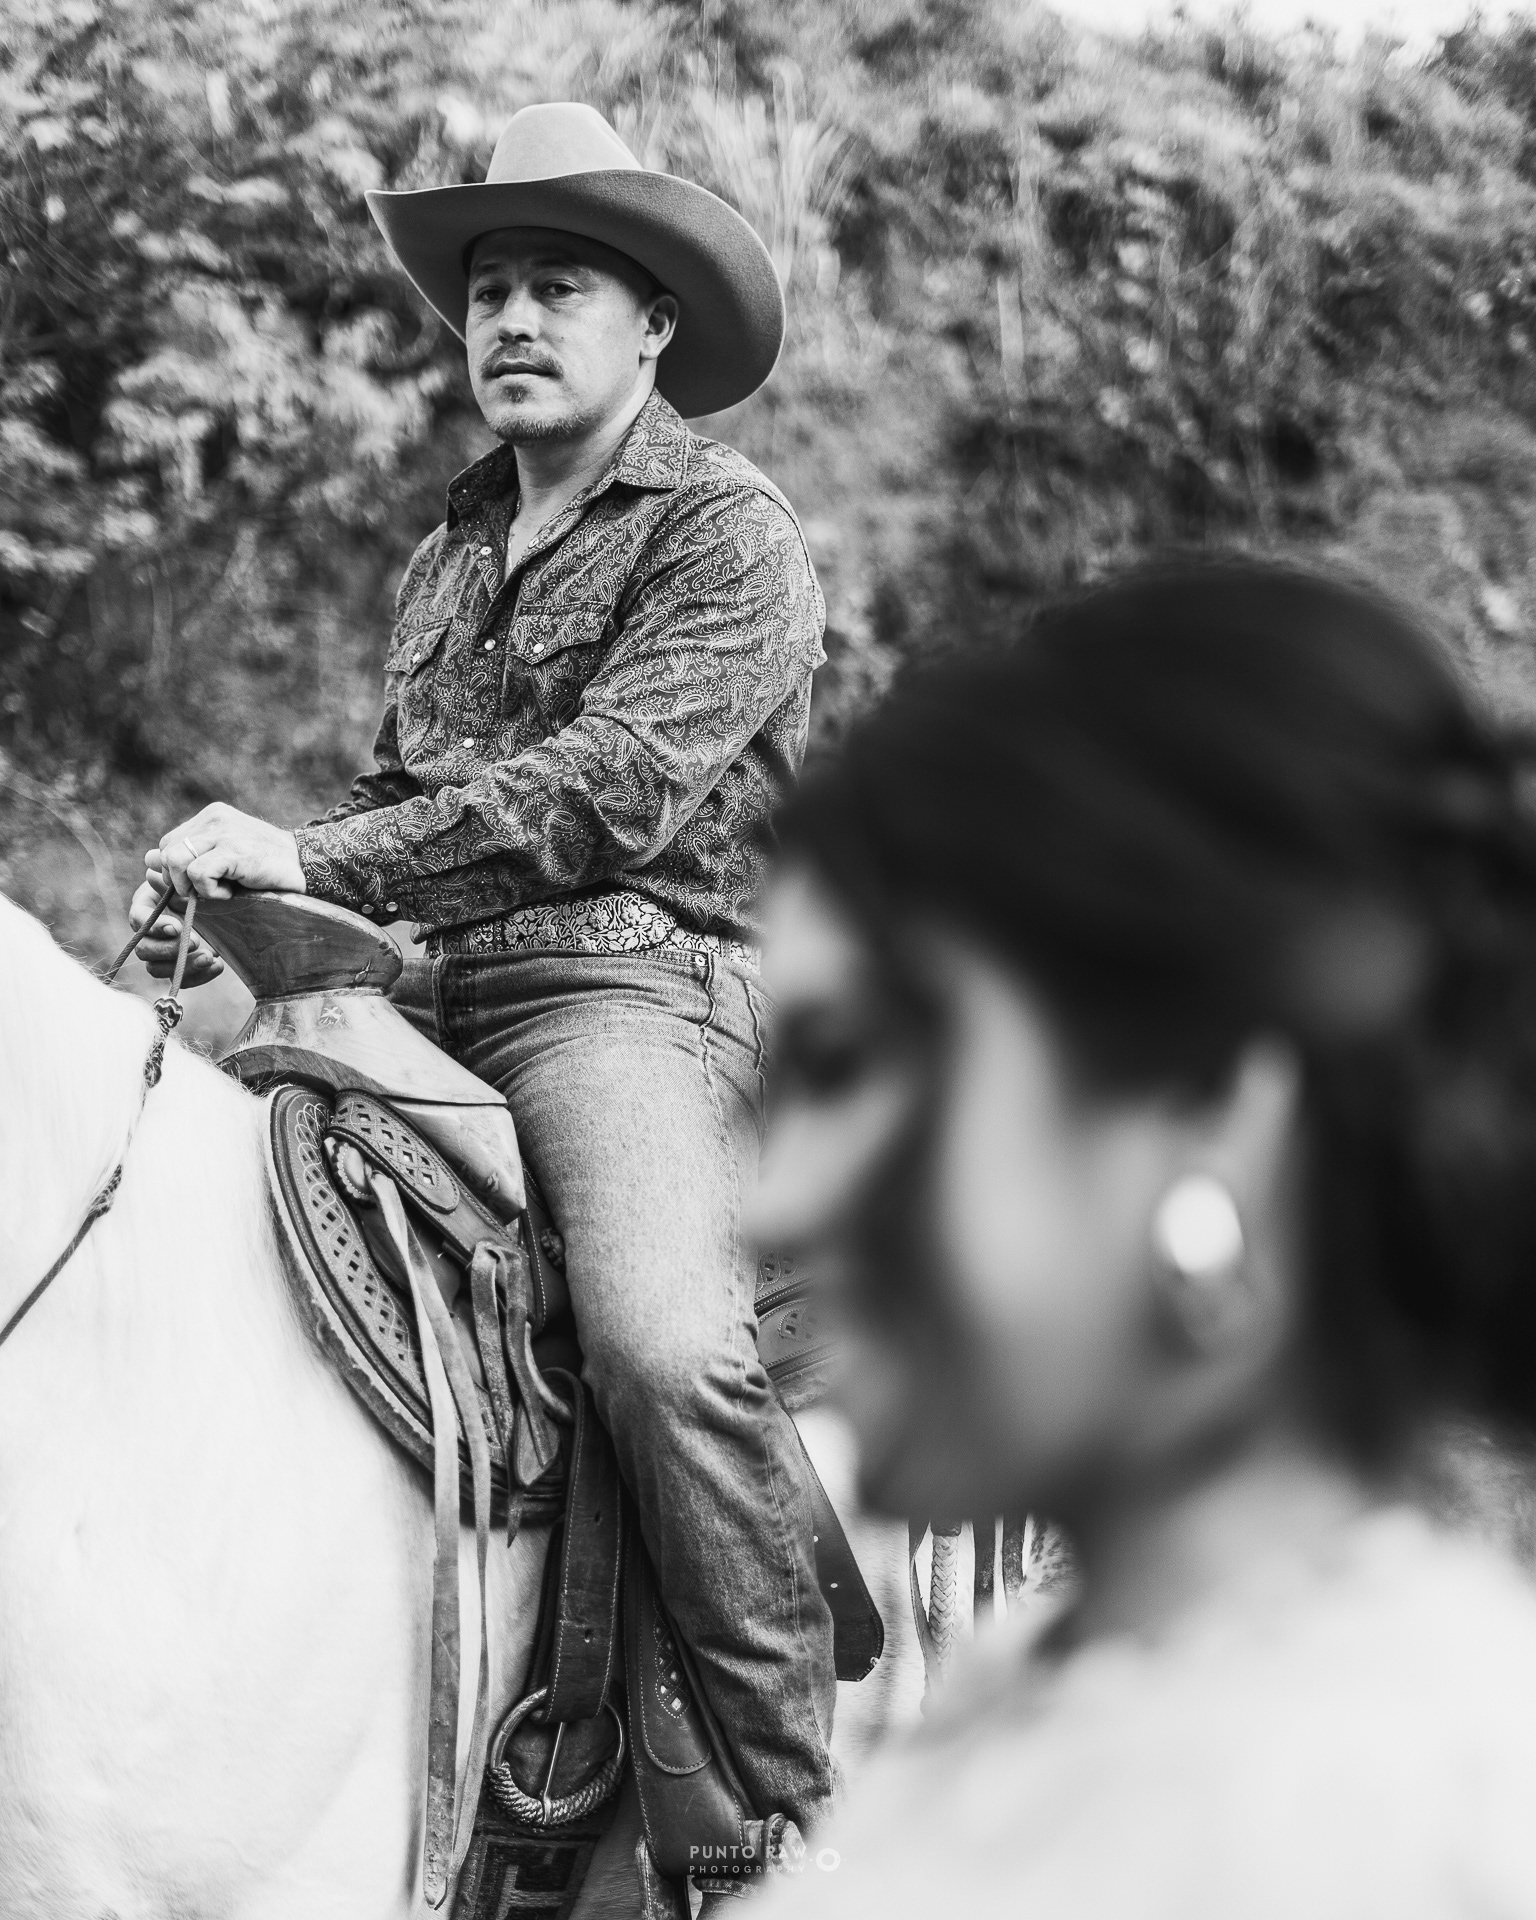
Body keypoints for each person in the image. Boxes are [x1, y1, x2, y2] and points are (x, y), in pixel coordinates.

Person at [127, 102, 837, 1844]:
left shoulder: (731, 534)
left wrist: (327, 864)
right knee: (148, 1171)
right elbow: (391, 797)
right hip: (424, 978)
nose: (510, 320)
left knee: (663, 1346)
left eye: (557, 288)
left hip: (630, 993)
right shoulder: (451, 554)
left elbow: (609, 791)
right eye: (490, 290)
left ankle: (784, 1808)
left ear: (653, 324)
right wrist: (233, 879)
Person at [748, 559, 1536, 1917]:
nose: (772, 1203)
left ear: (1210, 1114)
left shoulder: (1369, 1829)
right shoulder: (1043, 1717)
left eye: (851, 1067)